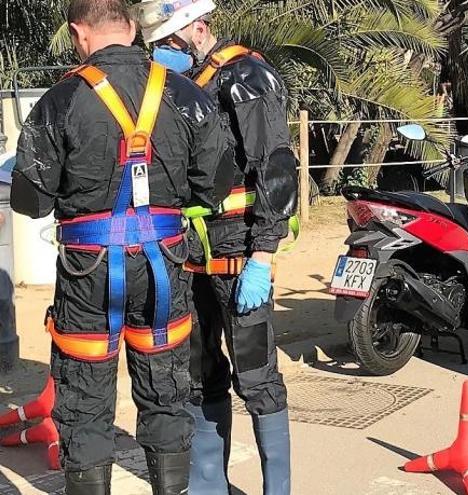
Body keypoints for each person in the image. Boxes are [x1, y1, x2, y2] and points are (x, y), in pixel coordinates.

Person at [10, 0, 235, 492]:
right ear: (133, 28)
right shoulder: (186, 94)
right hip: (165, 268)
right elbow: (216, 187)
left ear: (78, 33)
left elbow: (30, 202)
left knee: (85, 400)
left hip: (87, 274)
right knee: (165, 390)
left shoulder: (60, 100)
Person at [132, 1, 298, 493]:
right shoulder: (181, 89)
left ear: (197, 28)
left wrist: (263, 258)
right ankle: (210, 485)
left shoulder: (245, 76)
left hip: (241, 254)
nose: (162, 54)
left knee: (257, 377)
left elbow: (275, 166)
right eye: (156, 47)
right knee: (198, 373)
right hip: (190, 256)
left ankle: (277, 487)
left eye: (168, 44)